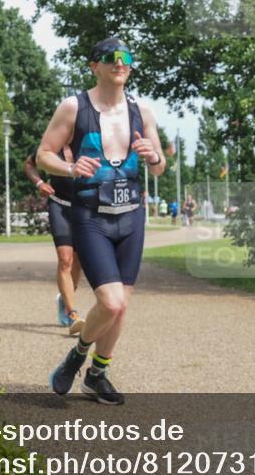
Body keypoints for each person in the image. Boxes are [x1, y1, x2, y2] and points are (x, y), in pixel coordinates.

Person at [38, 36, 166, 405]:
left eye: (126, 57)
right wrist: (69, 167)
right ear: (95, 65)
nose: (120, 63)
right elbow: (44, 154)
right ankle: (77, 356)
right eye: (111, 57)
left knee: (122, 305)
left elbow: (159, 168)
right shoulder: (74, 107)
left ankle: (97, 374)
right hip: (91, 215)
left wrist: (153, 156)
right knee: (110, 303)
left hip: (131, 217)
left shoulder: (142, 111)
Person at [24, 143, 84, 335]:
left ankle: (65, 299)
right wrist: (39, 183)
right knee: (65, 258)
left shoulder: (86, 142)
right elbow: (29, 164)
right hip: (59, 206)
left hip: (84, 209)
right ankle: (72, 312)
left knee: (78, 261)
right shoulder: (50, 147)